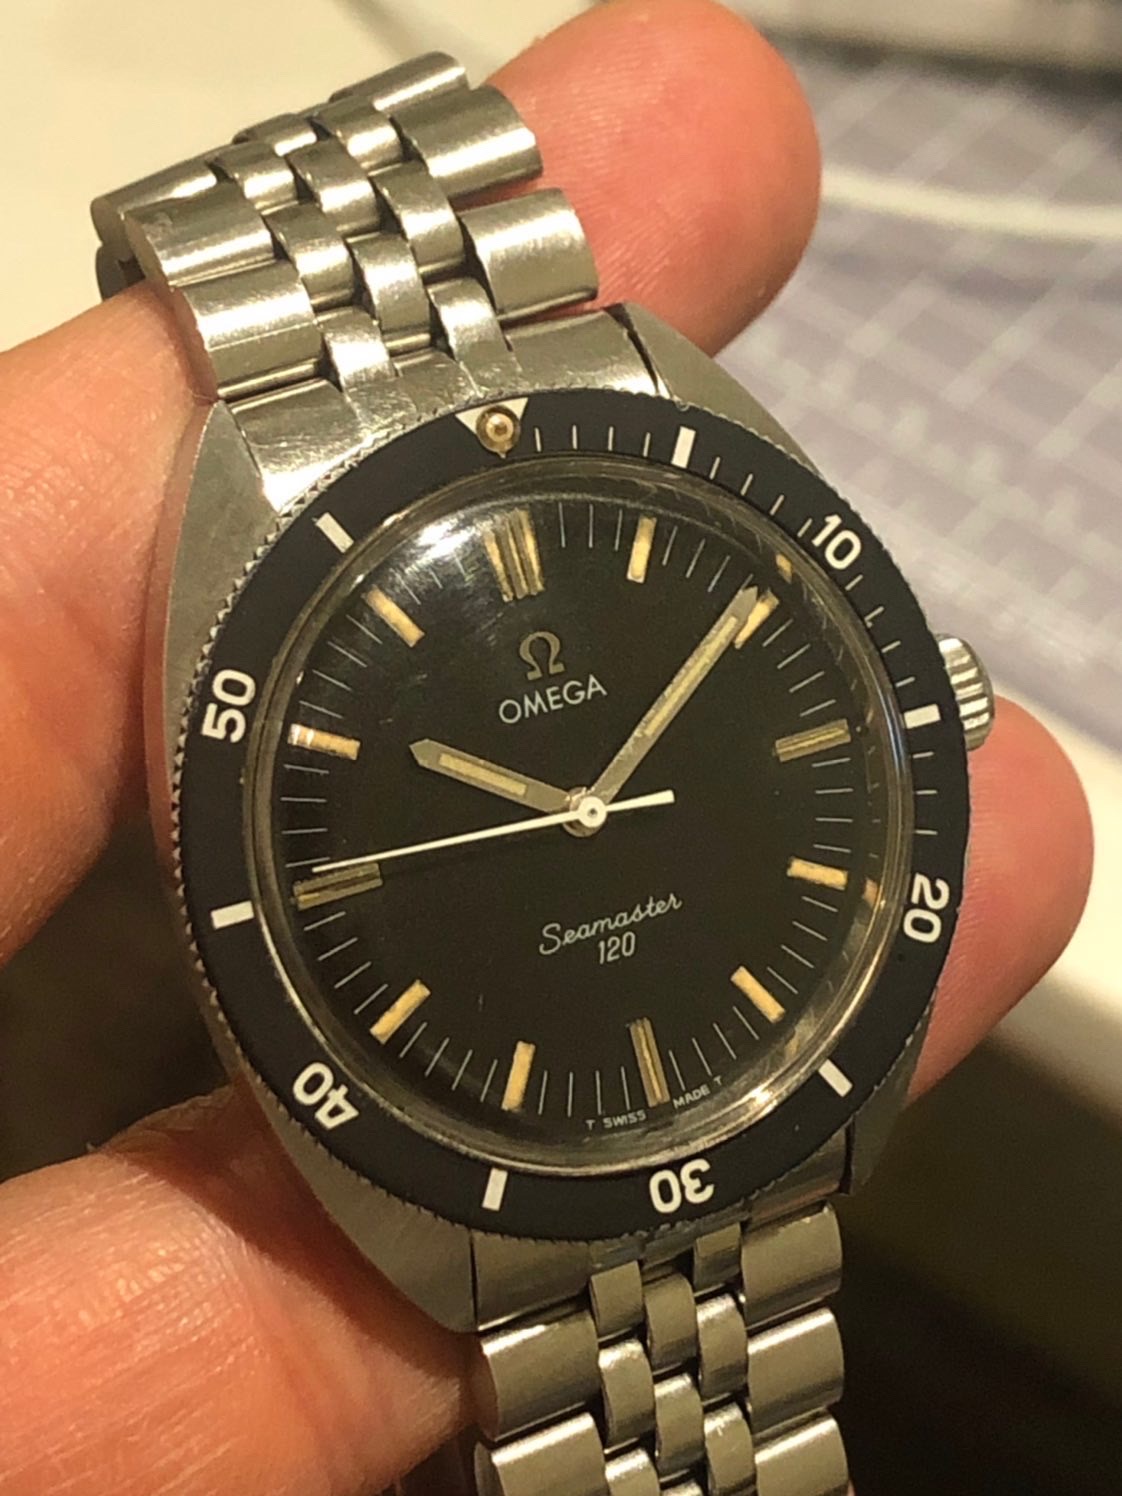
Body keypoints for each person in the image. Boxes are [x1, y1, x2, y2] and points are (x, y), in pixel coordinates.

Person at [0, 1, 1092, 1491]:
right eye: (573, 803)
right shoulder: (270, 472)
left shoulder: (644, 401)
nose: (589, 811)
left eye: (597, 795)